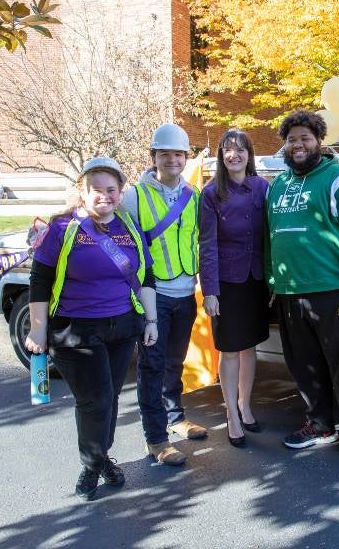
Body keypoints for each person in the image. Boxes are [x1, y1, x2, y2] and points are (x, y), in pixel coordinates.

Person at [25, 157, 159, 501]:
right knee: (95, 400)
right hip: (76, 330)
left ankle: (100, 457)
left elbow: (146, 276)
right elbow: (39, 280)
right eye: (96, 190)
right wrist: (38, 329)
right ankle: (93, 463)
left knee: (110, 397)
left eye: (111, 189)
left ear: (120, 192)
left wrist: (151, 320)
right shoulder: (62, 228)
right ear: (82, 193)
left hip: (122, 327)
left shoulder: (129, 228)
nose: (104, 196)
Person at [265, 110, 339, 470]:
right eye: (292, 139)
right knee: (304, 365)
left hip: (334, 293)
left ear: (319, 141)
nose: (298, 145)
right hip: (289, 292)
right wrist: (272, 281)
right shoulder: (278, 185)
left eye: (305, 138)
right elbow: (270, 238)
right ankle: (321, 424)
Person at [121, 123, 208, 467]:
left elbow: (200, 240)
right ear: (154, 156)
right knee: (152, 367)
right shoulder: (134, 196)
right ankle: (156, 439)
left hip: (186, 293)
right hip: (153, 295)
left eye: (178, 154)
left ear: (185, 157)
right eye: (165, 154)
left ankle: (175, 418)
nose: (172, 159)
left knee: (175, 361)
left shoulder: (193, 195)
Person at [199, 129, 270, 448]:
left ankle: (245, 405)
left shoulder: (262, 187)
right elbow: (207, 244)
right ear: (221, 156)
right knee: (229, 349)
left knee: (249, 346)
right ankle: (231, 414)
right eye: (228, 149)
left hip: (255, 279)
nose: (235, 154)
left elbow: (270, 236)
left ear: (249, 154)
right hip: (226, 283)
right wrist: (210, 290)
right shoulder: (212, 193)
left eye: (241, 149)